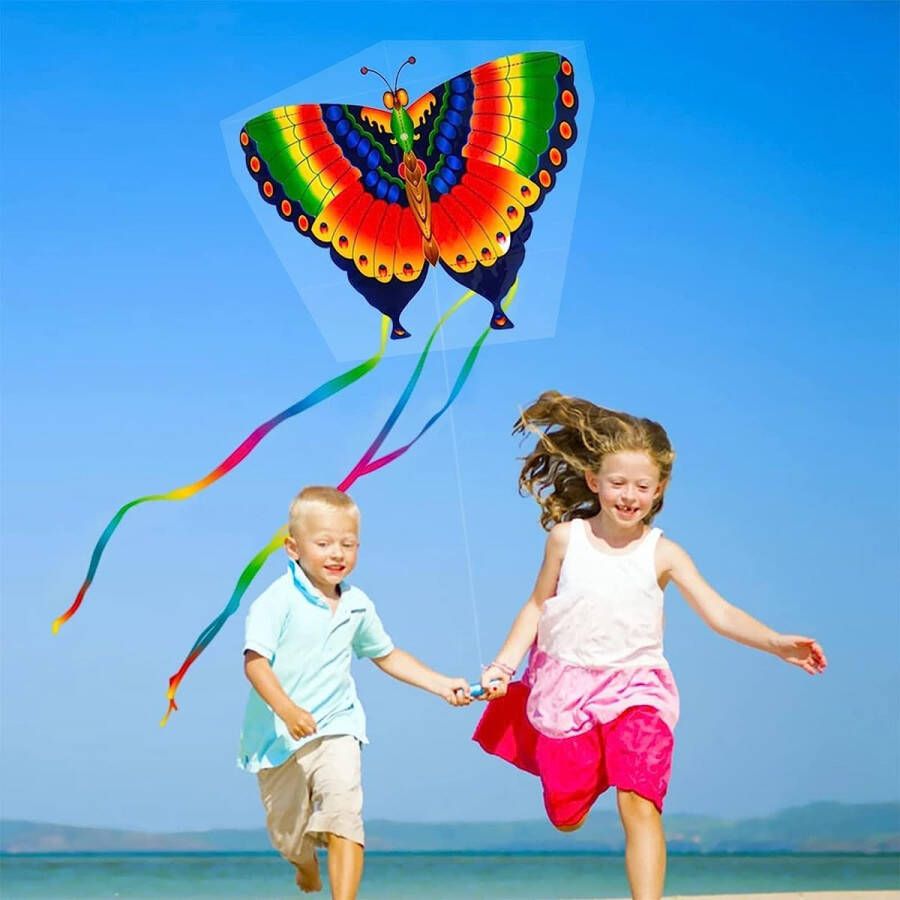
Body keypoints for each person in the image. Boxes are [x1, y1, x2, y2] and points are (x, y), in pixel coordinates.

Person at [473, 391, 826, 900]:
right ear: (595, 481)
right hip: (564, 691)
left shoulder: (663, 553)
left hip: (638, 690)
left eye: (643, 486)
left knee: (639, 799)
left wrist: (776, 642)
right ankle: (588, 769)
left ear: (659, 490)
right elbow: (535, 607)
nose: (629, 495)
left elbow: (719, 611)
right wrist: (504, 666)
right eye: (618, 483)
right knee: (565, 816)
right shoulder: (567, 540)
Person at [239, 486, 471, 898]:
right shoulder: (276, 601)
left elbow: (387, 654)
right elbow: (255, 663)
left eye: (347, 544)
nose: (337, 554)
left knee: (344, 811)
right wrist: (287, 709)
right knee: (289, 835)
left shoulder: (357, 604)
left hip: (338, 724)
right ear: (293, 548)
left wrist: (441, 685)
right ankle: (304, 864)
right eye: (324, 543)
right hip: (278, 737)